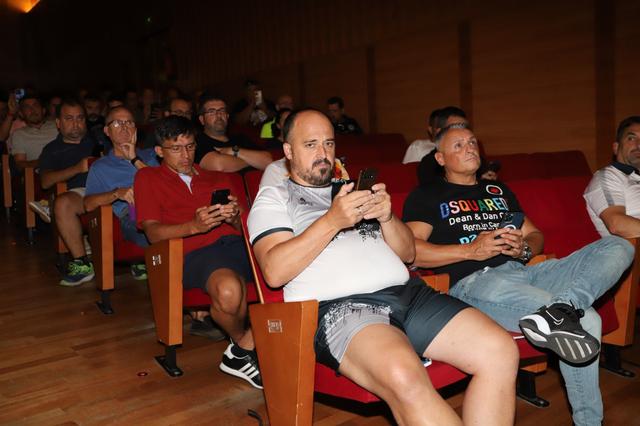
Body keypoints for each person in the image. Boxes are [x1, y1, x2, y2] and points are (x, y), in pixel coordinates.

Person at [248, 109, 519, 425]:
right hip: (345, 308)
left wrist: (387, 217)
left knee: (500, 351)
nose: (323, 154)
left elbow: (408, 253)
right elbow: (274, 271)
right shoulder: (275, 197)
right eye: (310, 145)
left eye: (329, 143)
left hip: (411, 294)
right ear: (288, 151)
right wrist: (332, 220)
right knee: (405, 376)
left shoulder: (353, 191)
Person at [403, 122, 635, 426]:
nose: (469, 148)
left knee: (619, 246)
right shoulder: (427, 195)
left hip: (525, 270)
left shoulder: (497, 190)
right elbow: (412, 251)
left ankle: (564, 307)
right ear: (440, 158)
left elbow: (535, 235)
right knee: (588, 319)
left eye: (472, 142)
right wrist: (471, 251)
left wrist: (523, 249)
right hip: (477, 282)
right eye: (458, 145)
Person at [135, 115, 261, 387]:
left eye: (190, 146)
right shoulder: (148, 177)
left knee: (293, 272)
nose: (185, 155)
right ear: (159, 151)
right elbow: (152, 232)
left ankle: (242, 351)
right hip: (192, 252)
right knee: (229, 292)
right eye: (176, 148)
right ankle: (244, 345)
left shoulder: (217, 177)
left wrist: (234, 219)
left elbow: (249, 226)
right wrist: (193, 226)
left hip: (238, 246)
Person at [83, 106, 158, 280]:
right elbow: (88, 204)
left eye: (129, 122)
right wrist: (116, 193)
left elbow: (163, 185)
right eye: (117, 123)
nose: (124, 127)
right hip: (132, 212)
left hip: (162, 206)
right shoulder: (101, 166)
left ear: (135, 129)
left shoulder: (151, 155)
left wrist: (134, 159)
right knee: (156, 234)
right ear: (107, 131)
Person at [36, 98, 99, 286]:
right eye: (69, 118)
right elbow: (45, 181)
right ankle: (82, 263)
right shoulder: (52, 150)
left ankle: (139, 259)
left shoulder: (98, 140)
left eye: (80, 118)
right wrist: (77, 168)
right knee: (62, 203)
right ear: (58, 123)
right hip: (80, 193)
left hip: (109, 186)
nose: (75, 123)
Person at [584, 116, 640, 238]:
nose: (639, 144)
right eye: (631, 138)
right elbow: (616, 224)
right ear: (616, 147)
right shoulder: (609, 177)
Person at [196, 94, 272, 172]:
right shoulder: (198, 141)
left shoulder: (240, 138)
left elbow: (268, 161)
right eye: (211, 112)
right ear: (202, 119)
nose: (218, 115)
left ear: (227, 116)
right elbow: (219, 165)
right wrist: (254, 161)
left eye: (222, 111)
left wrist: (233, 151)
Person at [8, 93, 59, 171]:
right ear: (21, 114)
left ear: (43, 110)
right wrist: (43, 161)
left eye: (36, 105)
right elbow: (20, 164)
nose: (32, 110)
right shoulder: (19, 134)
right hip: (39, 174)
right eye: (27, 107)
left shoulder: (58, 125)